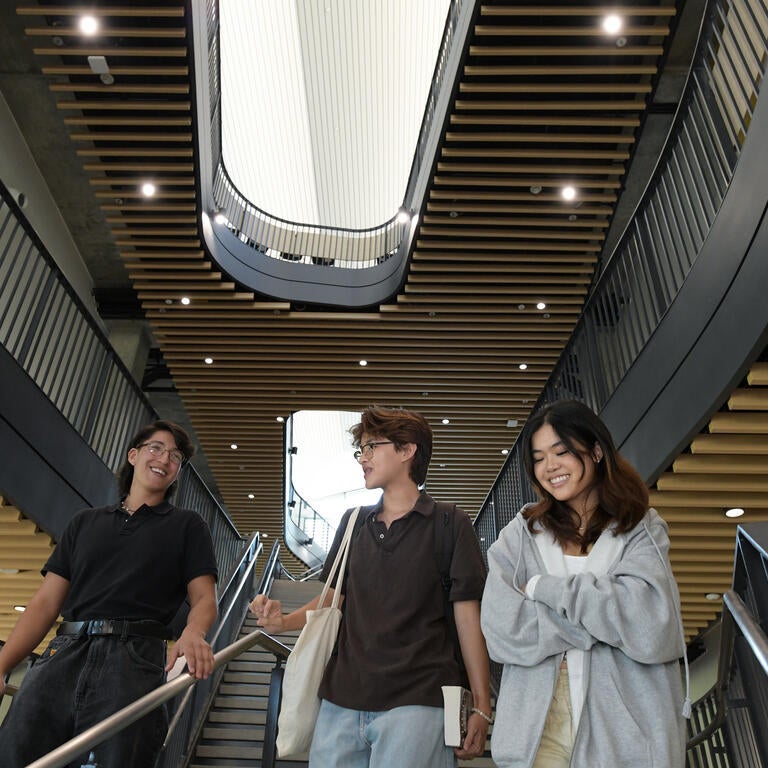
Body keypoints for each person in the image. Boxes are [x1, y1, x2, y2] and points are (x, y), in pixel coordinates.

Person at [251, 405, 491, 767]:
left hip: (419, 700)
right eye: (359, 450)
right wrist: (281, 622)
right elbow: (332, 601)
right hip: (340, 699)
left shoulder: (450, 523)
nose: (362, 458)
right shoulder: (353, 524)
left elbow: (468, 622)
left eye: (371, 447)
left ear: (407, 450)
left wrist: (482, 706)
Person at [481, 399, 690, 768]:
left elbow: (650, 624)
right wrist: (604, 622)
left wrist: (546, 590)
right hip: (537, 730)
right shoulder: (520, 535)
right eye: (539, 457)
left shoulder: (641, 528)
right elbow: (501, 629)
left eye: (561, 452)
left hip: (626, 734)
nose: (550, 467)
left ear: (595, 451)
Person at [0, 419, 219, 768]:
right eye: (156, 448)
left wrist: (194, 632)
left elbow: (205, 598)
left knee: (123, 759)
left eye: (175, 456)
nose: (165, 459)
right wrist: (3, 665)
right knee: (17, 753)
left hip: (133, 659)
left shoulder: (188, 526)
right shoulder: (84, 522)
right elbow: (44, 603)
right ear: (133, 455)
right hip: (64, 651)